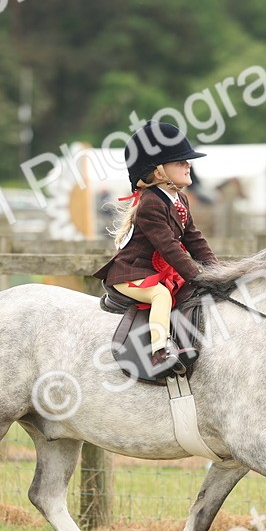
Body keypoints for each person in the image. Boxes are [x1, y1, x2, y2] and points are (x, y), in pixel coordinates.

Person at [93, 121, 217, 374]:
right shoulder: (151, 203)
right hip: (132, 273)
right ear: (159, 172)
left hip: (154, 271)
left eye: (187, 160)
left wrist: (216, 271)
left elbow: (193, 238)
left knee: (188, 293)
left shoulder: (179, 198)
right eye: (180, 162)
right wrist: (197, 275)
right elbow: (170, 247)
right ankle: (159, 351)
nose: (188, 164)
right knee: (161, 295)